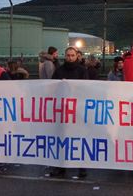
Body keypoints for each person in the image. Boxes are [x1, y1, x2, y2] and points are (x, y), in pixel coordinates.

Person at [50, 46, 89, 178]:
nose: (70, 58)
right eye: (68, 55)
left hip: (77, 111)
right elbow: (52, 88)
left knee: (79, 139)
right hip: (63, 111)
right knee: (61, 139)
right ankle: (60, 166)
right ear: (65, 56)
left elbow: (86, 89)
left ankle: (81, 167)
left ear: (77, 56)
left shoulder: (82, 71)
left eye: (72, 55)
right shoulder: (59, 71)